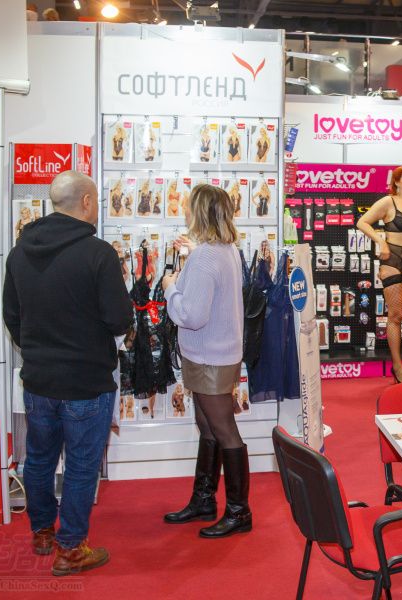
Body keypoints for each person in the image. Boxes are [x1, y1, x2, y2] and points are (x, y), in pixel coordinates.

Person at [2, 171, 133, 576]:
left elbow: (12, 317)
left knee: (39, 460)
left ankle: (43, 532)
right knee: (80, 465)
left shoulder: (19, 252)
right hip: (86, 382)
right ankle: (71, 548)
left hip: (39, 380)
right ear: (87, 202)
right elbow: (119, 319)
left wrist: (38, 350)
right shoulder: (98, 254)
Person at [161, 184, 250, 538]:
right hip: (214, 354)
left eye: (189, 206)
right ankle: (204, 499)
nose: (184, 210)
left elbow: (192, 315)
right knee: (209, 427)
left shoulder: (206, 257)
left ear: (199, 212)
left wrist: (170, 287)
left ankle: (239, 511)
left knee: (223, 430)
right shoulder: (225, 251)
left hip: (209, 357)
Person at [357, 165, 402, 383]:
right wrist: (380, 242)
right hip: (393, 261)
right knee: (395, 316)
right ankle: (398, 367)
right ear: (396, 182)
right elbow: (362, 222)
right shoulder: (388, 201)